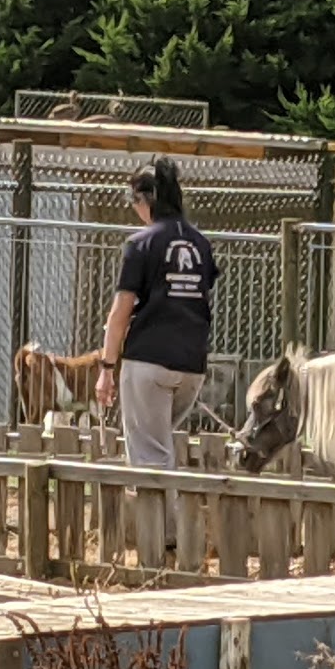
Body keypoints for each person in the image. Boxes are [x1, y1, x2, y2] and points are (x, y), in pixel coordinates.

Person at [95, 156, 219, 543]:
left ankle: (166, 543)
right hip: (192, 365)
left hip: (148, 360)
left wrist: (106, 367)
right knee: (160, 444)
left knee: (149, 457)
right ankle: (173, 535)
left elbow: (120, 312)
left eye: (134, 200)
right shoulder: (200, 243)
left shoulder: (141, 243)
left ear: (148, 199)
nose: (134, 209)